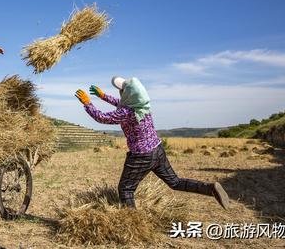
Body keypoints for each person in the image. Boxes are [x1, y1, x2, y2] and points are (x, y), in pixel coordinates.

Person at [74, 76, 229, 209]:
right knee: (175, 182)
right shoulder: (142, 106)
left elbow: (102, 118)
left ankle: (133, 225)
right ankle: (210, 189)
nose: (119, 92)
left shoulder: (127, 113)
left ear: (128, 95)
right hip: (158, 150)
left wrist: (88, 104)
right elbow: (121, 103)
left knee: (125, 189)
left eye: (122, 90)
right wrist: (103, 96)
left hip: (141, 156)